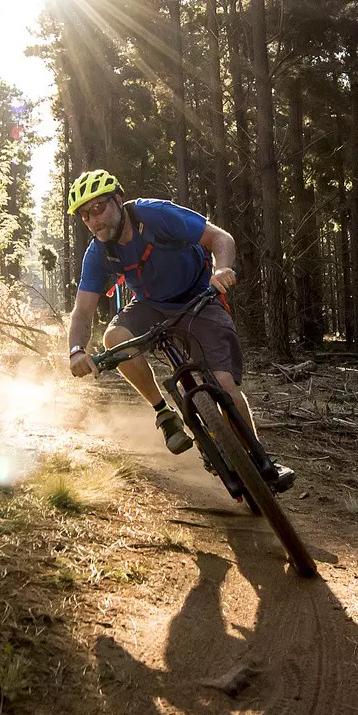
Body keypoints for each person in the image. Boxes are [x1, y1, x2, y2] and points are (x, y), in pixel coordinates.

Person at [62, 169, 294, 493]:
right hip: (150, 305)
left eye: (98, 208)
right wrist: (75, 351)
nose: (93, 219)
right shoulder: (98, 253)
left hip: (199, 297)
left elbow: (220, 238)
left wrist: (223, 269)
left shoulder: (156, 215)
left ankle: (258, 458)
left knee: (224, 383)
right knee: (113, 339)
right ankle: (163, 413)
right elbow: (83, 311)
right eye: (85, 215)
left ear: (118, 200)